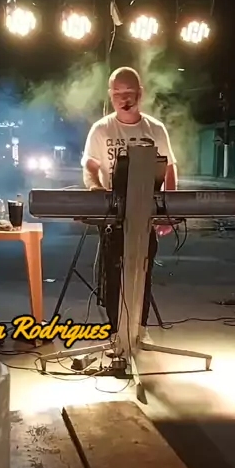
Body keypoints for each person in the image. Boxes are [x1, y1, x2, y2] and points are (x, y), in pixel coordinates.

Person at [81, 66, 177, 337]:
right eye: (117, 94)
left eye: (129, 93)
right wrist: (96, 188)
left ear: (140, 94)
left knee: (142, 273)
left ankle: (139, 330)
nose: (123, 99)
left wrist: (168, 209)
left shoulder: (155, 129)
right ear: (110, 95)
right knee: (113, 274)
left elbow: (169, 168)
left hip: (145, 215)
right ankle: (116, 331)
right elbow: (90, 165)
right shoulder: (101, 129)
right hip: (114, 216)